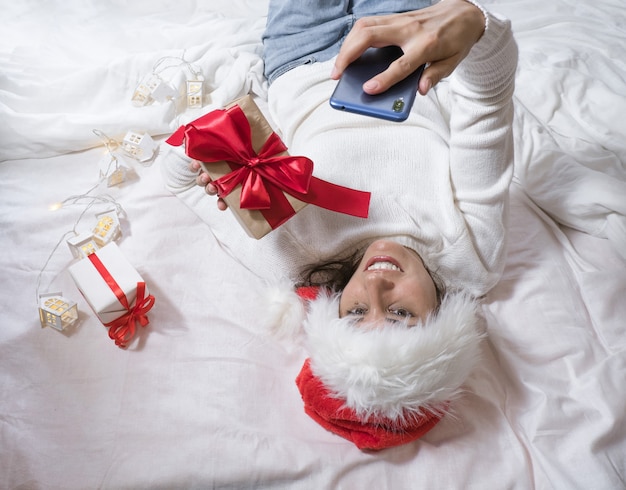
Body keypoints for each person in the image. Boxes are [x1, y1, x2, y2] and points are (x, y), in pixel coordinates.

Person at [162, 0, 517, 450]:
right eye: (401, 315)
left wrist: (213, 154)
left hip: (300, 57)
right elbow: (487, 104)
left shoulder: (293, 262)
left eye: (354, 314)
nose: (375, 288)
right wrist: (477, 26)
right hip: (403, 42)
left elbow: (175, 175)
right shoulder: (471, 261)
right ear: (443, 321)